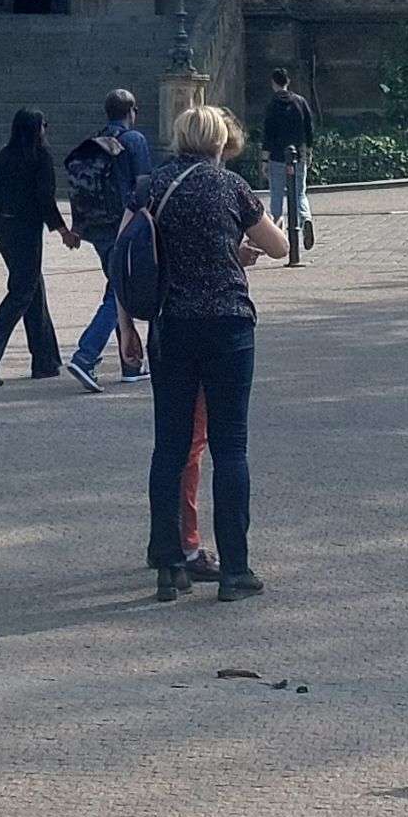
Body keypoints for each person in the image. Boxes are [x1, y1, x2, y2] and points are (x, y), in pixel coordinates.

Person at [142, 101, 286, 604]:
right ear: (221, 142)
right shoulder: (231, 187)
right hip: (228, 325)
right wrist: (240, 247)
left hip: (173, 325)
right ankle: (235, 570)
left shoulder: (154, 186)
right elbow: (279, 246)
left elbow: (132, 252)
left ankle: (168, 566)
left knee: (170, 447)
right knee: (231, 449)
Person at [0, 108, 78, 382]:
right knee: (22, 293)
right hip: (26, 231)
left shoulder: (3, 155)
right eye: (44, 125)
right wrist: (64, 232)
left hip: (3, 229)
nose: (45, 130)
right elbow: (45, 199)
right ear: (36, 129)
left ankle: (45, 360)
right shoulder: (40, 157)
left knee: (33, 290)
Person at [64, 86, 153, 386]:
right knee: (118, 295)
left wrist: (78, 227)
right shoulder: (134, 140)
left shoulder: (95, 144)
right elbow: (144, 186)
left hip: (98, 230)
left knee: (118, 289)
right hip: (124, 228)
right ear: (131, 112)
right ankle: (85, 355)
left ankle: (131, 364)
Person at [261, 66, 315, 252]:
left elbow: (267, 134)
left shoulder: (272, 105)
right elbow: (309, 128)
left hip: (277, 156)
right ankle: (305, 218)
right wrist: (308, 151)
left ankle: (277, 229)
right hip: (297, 155)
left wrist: (264, 160)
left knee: (276, 195)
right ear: (288, 81)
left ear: (273, 83)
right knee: (299, 193)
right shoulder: (300, 102)